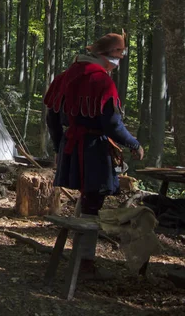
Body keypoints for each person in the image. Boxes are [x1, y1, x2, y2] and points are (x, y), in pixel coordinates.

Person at [44, 32, 144, 279]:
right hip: (93, 149)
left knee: (88, 198)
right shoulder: (102, 82)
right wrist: (133, 143)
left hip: (72, 143)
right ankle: (85, 261)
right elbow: (112, 125)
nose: (120, 58)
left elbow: (52, 119)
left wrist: (60, 147)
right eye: (119, 53)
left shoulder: (64, 78)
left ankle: (81, 255)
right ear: (105, 55)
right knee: (93, 201)